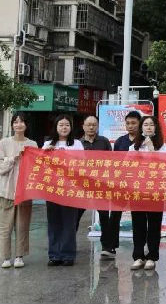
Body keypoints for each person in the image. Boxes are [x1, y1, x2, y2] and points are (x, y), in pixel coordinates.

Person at [0, 113, 38, 268]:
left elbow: (37, 167)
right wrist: (13, 159)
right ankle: (6, 257)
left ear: (26, 125)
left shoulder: (32, 144)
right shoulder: (4, 143)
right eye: (16, 122)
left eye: (22, 122)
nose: (19, 125)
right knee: (4, 227)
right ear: (12, 125)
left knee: (22, 226)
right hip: (5, 190)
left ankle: (19, 256)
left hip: (24, 191)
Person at [42, 114, 85, 266]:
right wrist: (46, 154)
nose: (64, 127)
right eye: (61, 125)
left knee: (69, 223)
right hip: (52, 189)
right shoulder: (47, 144)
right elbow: (40, 165)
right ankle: (54, 255)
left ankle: (68, 255)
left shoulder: (77, 144)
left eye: (67, 125)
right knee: (54, 222)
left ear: (71, 127)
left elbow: (82, 164)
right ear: (56, 127)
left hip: (70, 189)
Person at [129, 115, 165, 271]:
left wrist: (151, 149)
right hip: (137, 189)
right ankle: (138, 256)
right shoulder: (134, 147)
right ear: (141, 128)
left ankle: (152, 256)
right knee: (138, 224)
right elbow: (128, 166)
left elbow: (165, 167)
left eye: (151, 124)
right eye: (145, 125)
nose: (148, 127)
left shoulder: (163, 147)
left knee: (154, 224)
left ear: (156, 128)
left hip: (156, 190)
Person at [80, 116, 118, 259]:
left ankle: (107, 247)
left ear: (97, 126)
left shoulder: (104, 141)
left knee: (104, 217)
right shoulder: (78, 143)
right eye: (88, 124)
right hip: (82, 186)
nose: (91, 127)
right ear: (83, 126)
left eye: (94, 125)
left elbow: (111, 161)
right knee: (75, 216)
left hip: (100, 185)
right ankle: (69, 246)